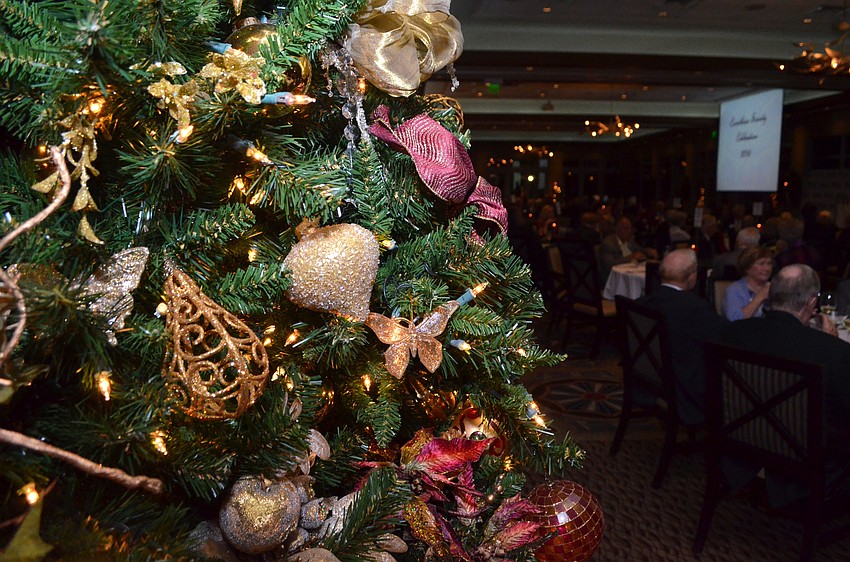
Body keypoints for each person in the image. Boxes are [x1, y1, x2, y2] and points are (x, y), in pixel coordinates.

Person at [718, 264, 850, 507]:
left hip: (743, 440)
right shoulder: (832, 352)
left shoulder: (730, 333)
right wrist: (832, 346)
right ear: (812, 303)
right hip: (806, 458)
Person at [637, 249, 727, 425]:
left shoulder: (642, 303)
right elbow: (726, 338)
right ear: (692, 277)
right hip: (683, 388)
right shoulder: (696, 309)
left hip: (648, 379)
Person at [597, 216, 657, 284]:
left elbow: (640, 249)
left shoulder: (629, 241)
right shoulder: (608, 243)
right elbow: (608, 265)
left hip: (631, 273)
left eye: (630, 229)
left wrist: (648, 251)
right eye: (626, 229)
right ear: (617, 229)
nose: (629, 231)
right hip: (615, 279)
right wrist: (630, 257)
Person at [722, 246, 773, 321]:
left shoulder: (775, 287)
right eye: (761, 264)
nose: (767, 268)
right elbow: (735, 319)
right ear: (747, 268)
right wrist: (760, 297)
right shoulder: (734, 290)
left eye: (769, 264)